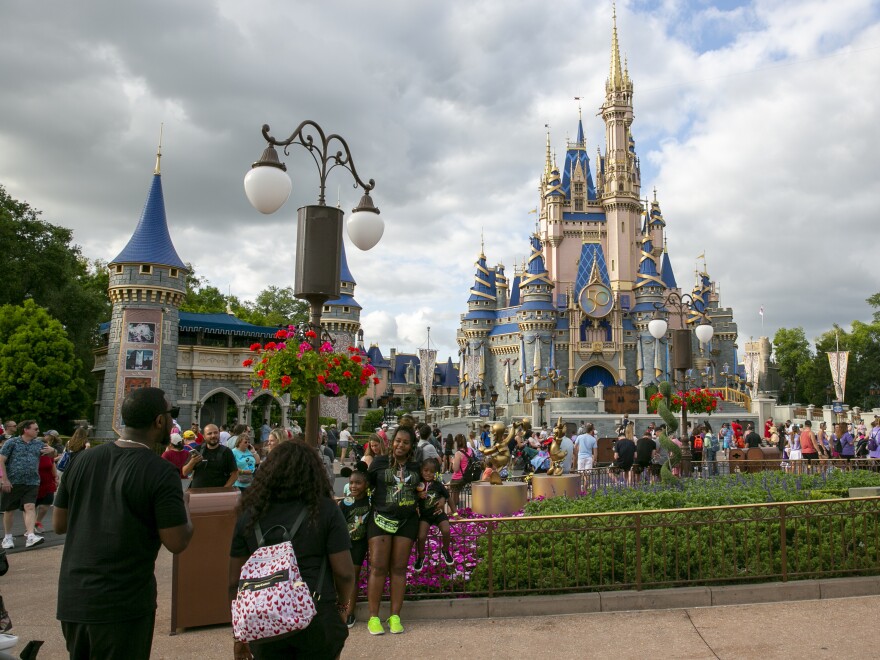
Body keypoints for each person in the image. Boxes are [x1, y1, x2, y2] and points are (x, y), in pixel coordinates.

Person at [54, 387, 192, 659]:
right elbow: (177, 541)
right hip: (122, 603)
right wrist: (185, 509)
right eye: (171, 414)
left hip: (75, 598)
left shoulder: (82, 460)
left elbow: (59, 524)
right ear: (159, 421)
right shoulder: (160, 470)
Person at [229, 440, 353, 659]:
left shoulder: (249, 514)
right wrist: (343, 607)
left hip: (264, 622)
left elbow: (233, 582)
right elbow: (344, 572)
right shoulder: (324, 510)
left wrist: (239, 635)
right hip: (317, 614)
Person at [365, 422, 422, 635]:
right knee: (378, 567)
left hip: (407, 522)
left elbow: (426, 489)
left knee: (399, 568)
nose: (401, 445)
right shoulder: (378, 463)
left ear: (411, 446)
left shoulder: (416, 467)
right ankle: (373, 617)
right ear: (392, 442)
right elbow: (365, 486)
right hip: (380, 519)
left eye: (406, 443)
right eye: (398, 441)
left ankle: (395, 616)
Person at [0, 420, 47, 549]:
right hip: (13, 481)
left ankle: (30, 535)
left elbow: (52, 453)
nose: (38, 431)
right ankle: (8, 537)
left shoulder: (38, 444)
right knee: (9, 510)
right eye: (35, 429)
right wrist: (4, 479)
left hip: (32, 481)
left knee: (30, 507)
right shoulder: (12, 443)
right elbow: (1, 460)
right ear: (26, 430)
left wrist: (53, 450)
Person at [338, 462, 371, 628]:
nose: (353, 486)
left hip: (360, 545)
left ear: (365, 484)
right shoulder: (345, 503)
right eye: (351, 483)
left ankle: (350, 611)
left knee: (353, 576)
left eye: (358, 483)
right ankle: (340, 608)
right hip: (345, 545)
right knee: (342, 576)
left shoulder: (370, 502)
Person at [413, 457, 452, 572]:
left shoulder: (438, 485)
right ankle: (421, 556)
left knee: (446, 530)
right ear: (421, 471)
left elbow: (448, 497)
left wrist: (454, 513)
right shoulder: (417, 485)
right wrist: (417, 496)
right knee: (421, 537)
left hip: (438, 514)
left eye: (431, 471)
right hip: (425, 516)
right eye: (426, 470)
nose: (428, 473)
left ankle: (445, 550)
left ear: (436, 473)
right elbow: (410, 498)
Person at [182, 424, 239, 488]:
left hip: (219, 493)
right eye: (209, 434)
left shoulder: (227, 451)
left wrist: (224, 489)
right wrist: (193, 461)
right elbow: (185, 472)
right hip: (198, 493)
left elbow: (235, 473)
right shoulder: (197, 450)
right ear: (204, 436)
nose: (213, 435)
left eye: (216, 433)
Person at [34, 445, 59, 534]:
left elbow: (53, 466)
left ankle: (37, 522)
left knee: (45, 505)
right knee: (32, 506)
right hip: (34, 484)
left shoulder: (49, 456)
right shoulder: (33, 456)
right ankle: (29, 525)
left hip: (48, 483)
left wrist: (56, 478)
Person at [448, 434, 470, 512]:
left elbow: (456, 469)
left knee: (453, 497)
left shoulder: (458, 453)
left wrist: (453, 461)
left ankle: (454, 512)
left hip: (458, 478)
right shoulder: (470, 450)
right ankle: (459, 510)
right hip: (467, 476)